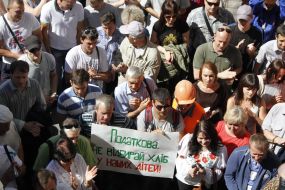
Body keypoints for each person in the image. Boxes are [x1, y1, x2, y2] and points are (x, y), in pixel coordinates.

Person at [40, 0, 84, 93]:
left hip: (72, 48)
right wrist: (48, 51)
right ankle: (57, 98)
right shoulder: (47, 8)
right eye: (69, 3)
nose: (72, 4)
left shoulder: (79, 6)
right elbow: (43, 32)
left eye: (74, 2)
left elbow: (80, 28)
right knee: (56, 77)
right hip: (54, 49)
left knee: (72, 76)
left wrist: (78, 47)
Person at [150, 0, 190, 94]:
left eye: (174, 16)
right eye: (168, 17)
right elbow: (153, 44)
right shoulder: (158, 26)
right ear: (163, 15)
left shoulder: (182, 25)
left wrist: (173, 52)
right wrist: (165, 51)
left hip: (177, 62)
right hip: (163, 60)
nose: (171, 19)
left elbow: (186, 43)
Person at [176, 120, 227, 190]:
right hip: (185, 182)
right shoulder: (188, 140)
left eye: (207, 138)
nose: (203, 142)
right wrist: (189, 170)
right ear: (196, 136)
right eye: (200, 138)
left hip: (205, 185)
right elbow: (180, 160)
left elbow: (220, 169)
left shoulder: (220, 148)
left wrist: (205, 172)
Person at [0, 0, 41, 80]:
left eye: (23, 11)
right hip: (9, 64)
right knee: (6, 90)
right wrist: (16, 56)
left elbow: (38, 38)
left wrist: (32, 52)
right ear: (8, 10)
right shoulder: (1, 24)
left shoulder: (30, 18)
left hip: (28, 62)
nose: (21, 14)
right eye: (18, 12)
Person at [192, 24, 242, 88]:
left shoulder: (234, 51)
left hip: (224, 89)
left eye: (225, 42)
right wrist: (219, 75)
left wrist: (232, 74)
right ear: (214, 36)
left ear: (230, 40)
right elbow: (196, 75)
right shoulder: (202, 49)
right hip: (206, 88)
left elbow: (239, 67)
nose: (221, 45)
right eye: (220, 41)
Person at [65, 27, 111, 91]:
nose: (92, 46)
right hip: (79, 91)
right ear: (81, 40)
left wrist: (96, 75)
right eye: (89, 43)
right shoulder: (73, 54)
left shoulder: (101, 52)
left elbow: (108, 77)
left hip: (96, 92)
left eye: (95, 43)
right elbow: (67, 78)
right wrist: (84, 75)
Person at [18, 35, 58, 105]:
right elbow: (19, 84)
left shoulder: (49, 58)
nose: (36, 52)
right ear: (26, 50)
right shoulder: (21, 62)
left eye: (38, 49)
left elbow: (53, 75)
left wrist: (53, 92)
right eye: (32, 50)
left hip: (47, 97)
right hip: (29, 100)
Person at [229, 4, 262, 74]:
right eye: (241, 20)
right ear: (237, 18)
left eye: (245, 20)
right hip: (230, 68)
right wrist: (236, 49)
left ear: (252, 18)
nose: (243, 22)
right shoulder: (229, 30)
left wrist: (252, 53)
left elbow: (260, 56)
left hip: (247, 70)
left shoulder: (257, 33)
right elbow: (222, 51)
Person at [96, 11, 124, 94]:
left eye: (110, 28)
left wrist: (115, 67)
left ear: (115, 24)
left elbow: (121, 55)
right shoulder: (96, 33)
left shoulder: (121, 36)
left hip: (112, 73)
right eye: (105, 28)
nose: (107, 31)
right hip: (98, 72)